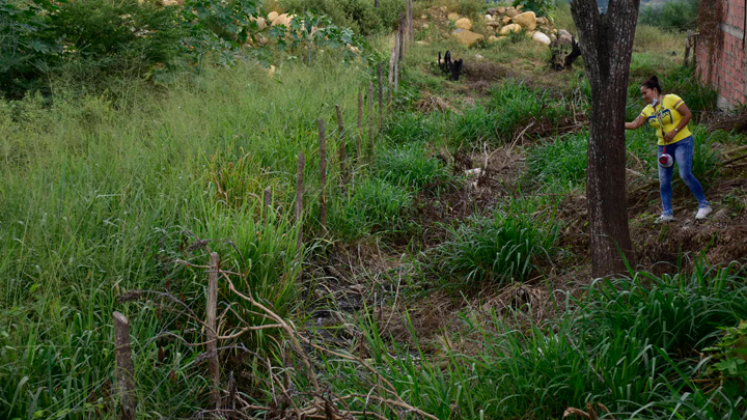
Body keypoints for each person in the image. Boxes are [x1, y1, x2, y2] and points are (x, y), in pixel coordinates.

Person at [625, 76, 712, 222]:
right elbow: (634, 124)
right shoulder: (647, 110)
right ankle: (667, 213)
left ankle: (704, 205)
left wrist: (675, 131)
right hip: (664, 148)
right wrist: (614, 123)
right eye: (642, 94)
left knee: (685, 174)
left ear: (654, 90)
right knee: (664, 180)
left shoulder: (671, 99)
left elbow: (688, 114)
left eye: (645, 92)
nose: (643, 96)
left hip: (682, 141)